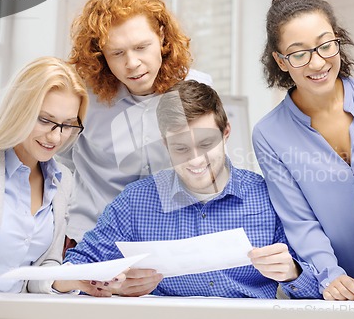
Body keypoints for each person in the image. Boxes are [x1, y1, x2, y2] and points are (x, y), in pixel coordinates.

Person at [53, 80, 321, 298]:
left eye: (206, 144)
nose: (195, 160)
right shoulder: (136, 202)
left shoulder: (268, 197)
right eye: (181, 148)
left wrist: (293, 272)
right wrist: (110, 284)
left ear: (226, 132)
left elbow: (317, 286)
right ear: (165, 145)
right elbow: (75, 268)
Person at [252, 0, 354, 300]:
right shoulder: (269, 133)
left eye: (325, 45)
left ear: (337, 40)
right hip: (336, 286)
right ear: (281, 61)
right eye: (299, 53)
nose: (317, 63)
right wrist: (331, 275)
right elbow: (299, 220)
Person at [60, 0, 212, 249]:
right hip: (90, 236)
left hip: (169, 240)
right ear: (100, 53)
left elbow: (211, 169)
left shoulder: (197, 88)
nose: (132, 63)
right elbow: (58, 164)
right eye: (117, 53)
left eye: (142, 47)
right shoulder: (82, 95)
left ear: (162, 36)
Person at [0, 57, 88, 294]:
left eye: (68, 124)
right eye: (45, 120)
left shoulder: (62, 180)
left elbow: (43, 266)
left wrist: (69, 280)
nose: (56, 137)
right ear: (19, 109)